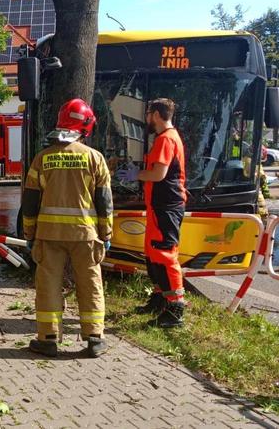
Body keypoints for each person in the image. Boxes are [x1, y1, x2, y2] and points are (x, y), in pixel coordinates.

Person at [22, 98, 113, 358]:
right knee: (90, 282)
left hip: (48, 235)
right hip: (86, 235)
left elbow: (30, 202)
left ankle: (48, 338)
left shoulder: (42, 159)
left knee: (48, 284)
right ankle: (94, 338)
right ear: (85, 127)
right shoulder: (95, 158)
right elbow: (104, 203)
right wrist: (106, 234)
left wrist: (29, 233)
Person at [118, 98, 187, 328]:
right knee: (153, 252)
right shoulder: (167, 137)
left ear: (156, 114)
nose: (146, 117)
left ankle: (176, 307)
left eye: (148, 113)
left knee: (164, 253)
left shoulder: (166, 139)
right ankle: (160, 297)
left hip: (165, 206)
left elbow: (158, 174)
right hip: (160, 205)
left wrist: (135, 175)